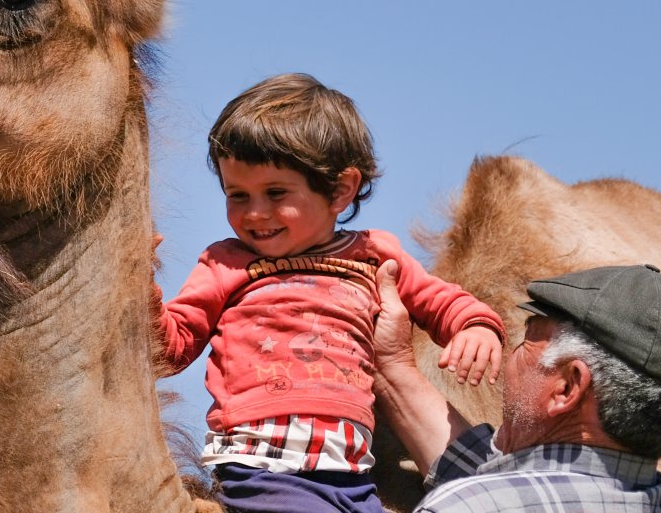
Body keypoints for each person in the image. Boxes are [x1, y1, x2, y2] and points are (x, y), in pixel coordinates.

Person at [157, 73, 507, 513]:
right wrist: (143, 291)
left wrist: (474, 326)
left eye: (276, 192)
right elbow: (171, 348)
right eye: (237, 195)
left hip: (352, 471)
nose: (255, 213)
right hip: (264, 467)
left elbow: (440, 299)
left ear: (341, 190)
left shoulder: (375, 255)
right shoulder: (226, 262)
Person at [371, 261, 661, 513]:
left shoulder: (464, 507)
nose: (512, 355)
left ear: (567, 387)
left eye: (528, 340)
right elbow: (504, 477)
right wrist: (393, 367)